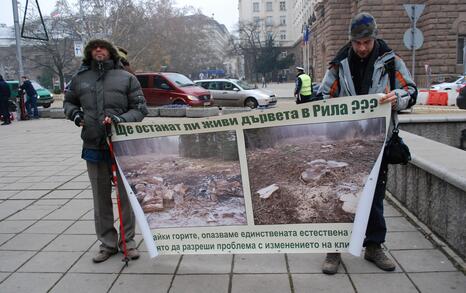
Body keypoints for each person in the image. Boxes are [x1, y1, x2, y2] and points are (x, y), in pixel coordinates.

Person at [318, 12, 417, 274]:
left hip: (379, 142)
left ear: (375, 38)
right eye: (357, 43)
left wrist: (398, 98)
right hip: (344, 143)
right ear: (351, 41)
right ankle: (334, 249)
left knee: (374, 197)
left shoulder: (392, 63)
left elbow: (411, 91)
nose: (362, 48)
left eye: (367, 42)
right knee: (339, 192)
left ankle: (373, 246)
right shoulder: (339, 65)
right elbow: (322, 96)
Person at [64, 39, 148, 263]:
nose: (98, 50)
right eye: (94, 48)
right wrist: (75, 115)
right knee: (100, 197)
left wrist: (120, 119)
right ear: (89, 53)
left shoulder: (127, 78)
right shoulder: (80, 79)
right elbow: (69, 103)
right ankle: (107, 243)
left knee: (125, 195)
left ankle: (127, 242)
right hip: (93, 144)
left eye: (102, 47)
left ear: (110, 52)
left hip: (123, 146)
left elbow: (140, 109)